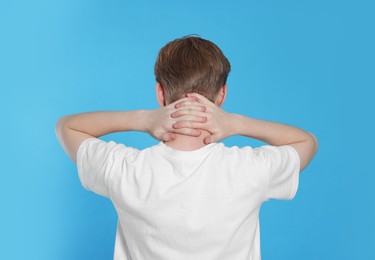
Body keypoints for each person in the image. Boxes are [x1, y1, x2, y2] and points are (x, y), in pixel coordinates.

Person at [55, 35, 318, 260]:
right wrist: (236, 123)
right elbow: (306, 142)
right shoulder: (250, 169)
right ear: (222, 95)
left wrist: (143, 119)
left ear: (160, 93)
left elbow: (67, 127)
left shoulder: (124, 169)